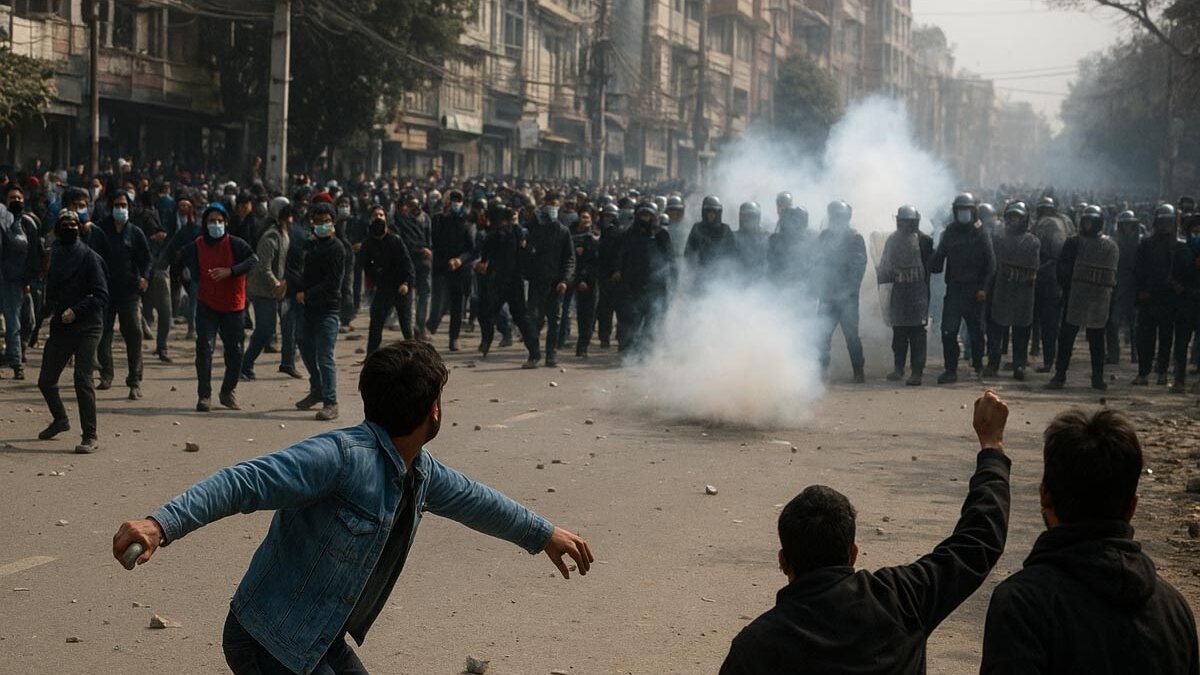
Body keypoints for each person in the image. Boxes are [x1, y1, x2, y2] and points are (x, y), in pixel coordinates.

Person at [111, 340, 595, 675]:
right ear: (434, 411)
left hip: (319, 639)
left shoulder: (417, 470)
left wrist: (543, 533)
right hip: (266, 640)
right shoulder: (340, 458)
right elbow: (245, 481)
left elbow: (477, 501)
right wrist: (161, 523)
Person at [720, 391, 1011, 675]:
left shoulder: (755, 647)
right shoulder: (900, 598)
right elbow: (978, 540)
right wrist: (991, 448)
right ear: (853, 552)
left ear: (783, 561)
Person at [979, 407, 1199, 674]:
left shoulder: (1023, 604)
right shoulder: (1173, 610)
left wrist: (992, 451)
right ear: (1132, 507)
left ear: (1045, 496)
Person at [36, 211, 108, 454]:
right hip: (62, 325)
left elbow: (101, 295)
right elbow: (52, 294)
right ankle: (60, 420)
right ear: (57, 229)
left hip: (88, 326)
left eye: (73, 224)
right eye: (64, 224)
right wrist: (40, 318)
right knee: (46, 380)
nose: (69, 227)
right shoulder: (54, 255)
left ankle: (90, 435)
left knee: (82, 378)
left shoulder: (89, 257)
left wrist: (76, 311)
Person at [178, 203, 258, 412]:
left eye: (219, 221)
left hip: (233, 306)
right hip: (207, 305)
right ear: (205, 223)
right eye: (212, 221)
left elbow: (253, 260)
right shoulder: (197, 245)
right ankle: (204, 395)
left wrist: (230, 272)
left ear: (226, 223)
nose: (216, 225)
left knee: (235, 352)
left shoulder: (236, 244)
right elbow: (179, 257)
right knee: (204, 348)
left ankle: (227, 391)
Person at [1048, 205, 1119, 391]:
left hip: (1097, 298)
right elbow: (1062, 267)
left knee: (1096, 341)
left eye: (1090, 221)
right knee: (1065, 340)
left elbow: (1111, 275)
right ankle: (1060, 375)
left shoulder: (1109, 245)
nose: (1087, 225)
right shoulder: (1073, 242)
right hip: (1075, 296)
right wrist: (1067, 287)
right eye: (1085, 221)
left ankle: (1097, 378)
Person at [930, 193, 995, 384]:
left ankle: (978, 366)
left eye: (967, 210)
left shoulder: (981, 233)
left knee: (976, 332)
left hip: (975, 292)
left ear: (973, 211)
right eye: (960, 210)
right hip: (955, 291)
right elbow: (938, 261)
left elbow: (991, 265)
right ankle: (951, 369)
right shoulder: (950, 232)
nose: (963, 214)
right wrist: (930, 256)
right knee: (948, 331)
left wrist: (984, 288)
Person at [96, 190, 151, 399]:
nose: (121, 209)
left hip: (129, 292)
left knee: (134, 334)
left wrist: (145, 277)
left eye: (124, 205)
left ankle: (134, 379)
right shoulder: (101, 230)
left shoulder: (135, 233)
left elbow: (147, 259)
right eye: (118, 205)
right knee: (104, 334)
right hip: (105, 291)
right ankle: (106, 373)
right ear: (111, 207)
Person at [294, 203, 346, 421]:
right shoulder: (311, 247)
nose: (322, 225)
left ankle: (331, 401)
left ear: (333, 223)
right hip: (309, 310)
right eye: (317, 222)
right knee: (305, 349)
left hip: (328, 309)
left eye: (326, 221)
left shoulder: (337, 249)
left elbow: (333, 283)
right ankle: (317, 388)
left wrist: (308, 294)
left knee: (324, 356)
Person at [877, 205, 934, 386]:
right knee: (899, 333)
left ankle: (917, 372)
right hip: (899, 292)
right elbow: (886, 262)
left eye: (908, 222)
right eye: (901, 221)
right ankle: (899, 368)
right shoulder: (892, 240)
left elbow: (930, 267)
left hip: (918, 292)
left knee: (917, 334)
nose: (904, 225)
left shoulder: (924, 240)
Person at [985, 201, 1040, 381]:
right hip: (1002, 290)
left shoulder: (1032, 241)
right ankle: (993, 364)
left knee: (1021, 332)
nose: (1014, 221)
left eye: (1017, 217)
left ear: (1024, 219)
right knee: (996, 330)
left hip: (1024, 292)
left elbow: (1033, 267)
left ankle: (1019, 364)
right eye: (1011, 217)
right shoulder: (998, 238)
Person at [815, 201, 868, 383]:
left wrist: (847, 292)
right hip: (828, 297)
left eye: (840, 217)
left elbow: (859, 268)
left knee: (852, 338)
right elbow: (817, 264)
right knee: (822, 337)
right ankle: (822, 374)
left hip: (848, 299)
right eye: (834, 217)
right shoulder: (824, 237)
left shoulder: (855, 238)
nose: (837, 221)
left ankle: (858, 372)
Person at [613, 201, 674, 354]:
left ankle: (647, 351)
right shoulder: (629, 234)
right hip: (633, 284)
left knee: (653, 319)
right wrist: (618, 270)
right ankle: (631, 350)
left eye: (648, 215)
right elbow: (620, 255)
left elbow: (670, 259)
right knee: (633, 319)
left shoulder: (661, 235)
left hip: (656, 284)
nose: (645, 218)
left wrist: (672, 279)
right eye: (642, 215)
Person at [521, 193, 575, 369]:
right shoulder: (535, 228)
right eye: (549, 203)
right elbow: (527, 250)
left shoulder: (563, 231)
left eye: (555, 204)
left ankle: (551, 354)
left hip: (555, 283)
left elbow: (569, 258)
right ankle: (534, 354)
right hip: (537, 281)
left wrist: (565, 280)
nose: (552, 207)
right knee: (533, 319)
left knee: (554, 320)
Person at [240, 203, 290, 381]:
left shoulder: (284, 235)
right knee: (264, 329)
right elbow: (264, 266)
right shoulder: (271, 237)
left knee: (273, 328)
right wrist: (277, 283)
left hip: (275, 290)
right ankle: (245, 364)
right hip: (262, 290)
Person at [1133, 204, 1181, 386]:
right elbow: (1138, 270)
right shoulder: (1146, 244)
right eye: (1162, 221)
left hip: (1169, 299)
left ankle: (1162, 373)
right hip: (1149, 298)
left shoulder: (1178, 245)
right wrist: (1140, 292)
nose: (1165, 225)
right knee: (1146, 338)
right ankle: (1143, 373)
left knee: (1166, 339)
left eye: (1168, 221)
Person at [3, 184, 44, 379]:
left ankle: (17, 352)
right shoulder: (3, 223)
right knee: (13, 323)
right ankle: (16, 363)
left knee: (29, 321)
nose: (16, 201)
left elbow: (36, 252)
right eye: (12, 198)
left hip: (25, 280)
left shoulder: (28, 223)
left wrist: (30, 278)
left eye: (19, 198)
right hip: (7, 279)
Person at [362, 204, 415, 356]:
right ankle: (370, 358)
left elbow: (408, 265)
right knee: (376, 325)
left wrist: (406, 283)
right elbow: (365, 265)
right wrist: (375, 280)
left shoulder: (395, 240)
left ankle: (415, 357)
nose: (378, 218)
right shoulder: (369, 243)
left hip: (401, 287)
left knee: (406, 327)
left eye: (381, 215)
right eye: (375, 215)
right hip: (383, 289)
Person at [425, 190, 475, 351]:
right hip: (441, 266)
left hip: (459, 268)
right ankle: (430, 326)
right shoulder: (439, 219)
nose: (455, 203)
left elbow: (472, 249)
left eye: (458, 200)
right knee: (438, 300)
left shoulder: (466, 222)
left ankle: (454, 337)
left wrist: (460, 260)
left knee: (457, 305)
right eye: (452, 200)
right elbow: (433, 239)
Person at [1032, 197, 1071, 372]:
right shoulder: (1065, 222)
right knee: (1051, 323)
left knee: (1048, 324)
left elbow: (1057, 251)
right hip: (1057, 277)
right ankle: (1049, 358)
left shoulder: (1049, 224)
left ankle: (1049, 360)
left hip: (1050, 278)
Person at [394, 196, 432, 340]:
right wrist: (420, 250)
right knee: (408, 298)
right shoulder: (397, 223)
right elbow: (403, 243)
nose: (409, 209)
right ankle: (409, 330)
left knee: (424, 294)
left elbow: (427, 238)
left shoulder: (421, 220)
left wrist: (427, 249)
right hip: (408, 264)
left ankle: (420, 327)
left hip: (423, 263)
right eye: (407, 206)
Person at [1170, 213, 1200, 393]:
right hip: (1185, 304)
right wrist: (1179, 288)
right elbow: (1172, 276)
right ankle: (1179, 380)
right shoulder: (1181, 251)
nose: (1197, 235)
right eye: (1195, 232)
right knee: (1181, 344)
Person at [1107, 210, 1141, 365]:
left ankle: (1136, 353)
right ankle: (1114, 354)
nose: (1127, 227)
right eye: (1125, 224)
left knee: (1135, 325)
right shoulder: (1115, 242)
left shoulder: (1140, 242)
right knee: (1113, 323)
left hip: (1134, 286)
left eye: (1130, 224)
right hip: (1118, 285)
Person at [595, 203, 625, 349]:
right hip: (603, 274)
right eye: (605, 216)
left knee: (619, 309)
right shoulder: (601, 233)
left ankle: (621, 338)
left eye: (610, 216)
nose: (607, 219)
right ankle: (604, 337)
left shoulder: (618, 233)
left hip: (616, 276)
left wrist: (618, 270)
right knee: (604, 309)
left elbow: (620, 254)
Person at [685, 195, 738, 272]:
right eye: (708, 211)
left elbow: (733, 253)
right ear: (704, 212)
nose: (711, 214)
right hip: (701, 272)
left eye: (714, 212)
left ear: (718, 213)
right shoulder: (697, 228)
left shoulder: (725, 229)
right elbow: (689, 252)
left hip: (721, 272)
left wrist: (729, 270)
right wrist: (692, 269)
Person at [734, 202, 769, 280]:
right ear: (741, 218)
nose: (749, 221)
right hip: (739, 280)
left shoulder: (766, 238)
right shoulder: (733, 237)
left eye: (752, 217)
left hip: (761, 281)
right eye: (746, 217)